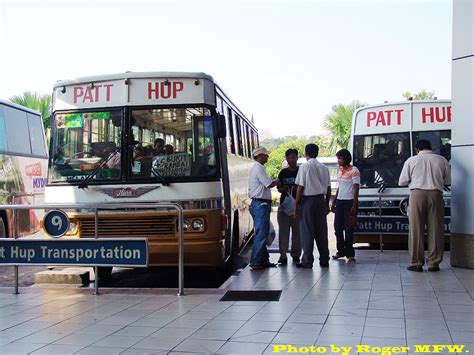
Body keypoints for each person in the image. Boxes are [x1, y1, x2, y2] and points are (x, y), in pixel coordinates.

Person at [399, 139, 450, 272]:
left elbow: (402, 181)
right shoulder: (441, 160)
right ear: (430, 147)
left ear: (417, 149)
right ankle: (434, 263)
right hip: (436, 194)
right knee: (436, 229)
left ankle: (416, 262)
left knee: (416, 229)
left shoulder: (411, 161)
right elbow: (447, 180)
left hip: (417, 194)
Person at [294, 143, 331, 268]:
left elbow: (300, 187)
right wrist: (326, 205)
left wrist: (296, 205)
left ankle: (307, 261)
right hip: (321, 200)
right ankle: (324, 259)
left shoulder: (304, 167)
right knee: (322, 231)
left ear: (306, 154)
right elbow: (329, 188)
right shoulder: (324, 168)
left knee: (307, 230)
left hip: (308, 201)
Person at [248, 146, 281, 270]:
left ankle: (263, 260)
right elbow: (269, 183)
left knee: (263, 232)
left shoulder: (257, 168)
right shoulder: (258, 168)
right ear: (260, 156)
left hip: (259, 204)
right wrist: (277, 181)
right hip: (260, 204)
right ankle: (256, 261)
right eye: (266, 155)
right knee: (261, 234)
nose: (268, 157)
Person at [331, 149, 360, 262]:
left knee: (349, 228)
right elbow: (340, 186)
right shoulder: (340, 170)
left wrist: (354, 204)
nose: (338, 160)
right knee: (337, 228)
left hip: (349, 201)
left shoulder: (354, 170)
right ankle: (340, 251)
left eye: (340, 158)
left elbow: (356, 188)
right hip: (340, 201)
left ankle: (350, 253)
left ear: (346, 158)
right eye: (338, 158)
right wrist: (334, 200)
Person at [277, 148, 301, 265]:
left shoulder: (301, 171)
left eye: (293, 157)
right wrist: (283, 189)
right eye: (289, 157)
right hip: (284, 206)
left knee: (297, 232)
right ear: (286, 159)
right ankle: (283, 255)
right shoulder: (283, 172)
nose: (291, 159)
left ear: (297, 157)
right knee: (283, 232)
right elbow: (278, 188)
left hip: (297, 206)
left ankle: (296, 255)